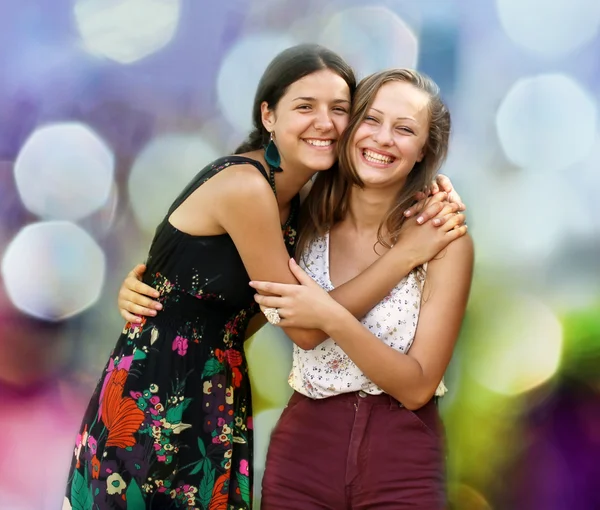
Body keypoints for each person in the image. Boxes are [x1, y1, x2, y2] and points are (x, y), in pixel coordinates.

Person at [65, 45, 466, 509]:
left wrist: (433, 191)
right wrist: (404, 256)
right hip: (151, 399)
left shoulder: (301, 203)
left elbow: (256, 313)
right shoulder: (248, 187)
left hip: (215, 397)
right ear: (268, 115)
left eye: (339, 109)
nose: (325, 122)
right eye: (304, 106)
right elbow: (304, 325)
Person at [251, 69, 474, 509]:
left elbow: (417, 387)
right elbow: (230, 306)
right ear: (349, 128)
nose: (384, 138)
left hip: (402, 463)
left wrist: (328, 313)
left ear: (423, 150)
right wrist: (142, 291)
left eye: (405, 129)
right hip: (302, 460)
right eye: (371, 119)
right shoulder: (299, 219)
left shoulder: (444, 240)